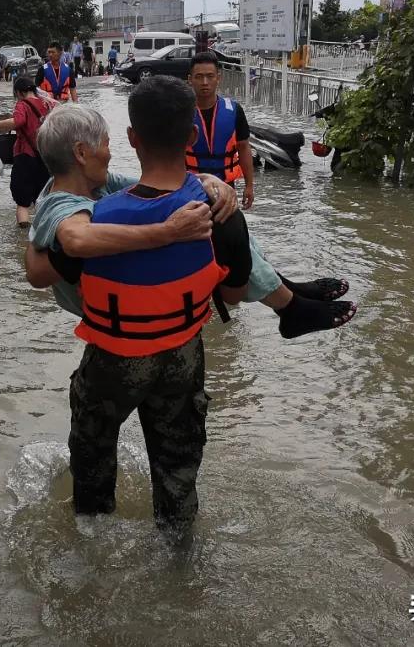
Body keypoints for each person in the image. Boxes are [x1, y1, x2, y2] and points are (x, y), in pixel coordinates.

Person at [27, 76, 256, 540]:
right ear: (192, 137)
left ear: (133, 139)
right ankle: (178, 560)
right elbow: (233, 294)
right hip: (183, 356)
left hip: (114, 358)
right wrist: (209, 186)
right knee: (177, 473)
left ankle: (91, 555)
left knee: (92, 462)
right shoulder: (212, 210)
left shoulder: (98, 215)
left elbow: (47, 267)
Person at [27, 106, 356, 338]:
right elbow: (76, 240)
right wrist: (166, 232)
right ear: (82, 153)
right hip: (113, 317)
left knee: (211, 206)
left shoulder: (92, 182)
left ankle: (284, 292)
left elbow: (161, 184)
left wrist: (205, 182)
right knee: (210, 220)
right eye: (106, 145)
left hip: (125, 304)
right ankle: (288, 305)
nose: (110, 153)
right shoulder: (60, 202)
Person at [185, 52, 257, 210]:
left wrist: (249, 186)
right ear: (190, 79)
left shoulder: (234, 110)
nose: (205, 82)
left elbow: (244, 148)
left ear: (218, 77)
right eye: (199, 77)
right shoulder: (180, 112)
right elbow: (166, 152)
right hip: (189, 190)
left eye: (210, 76)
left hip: (226, 188)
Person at [0, 76, 54, 228]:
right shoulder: (47, 103)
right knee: (42, 198)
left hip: (25, 157)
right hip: (45, 157)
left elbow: (17, 122)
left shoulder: (22, 104)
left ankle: (22, 238)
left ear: (19, 93)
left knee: (22, 202)